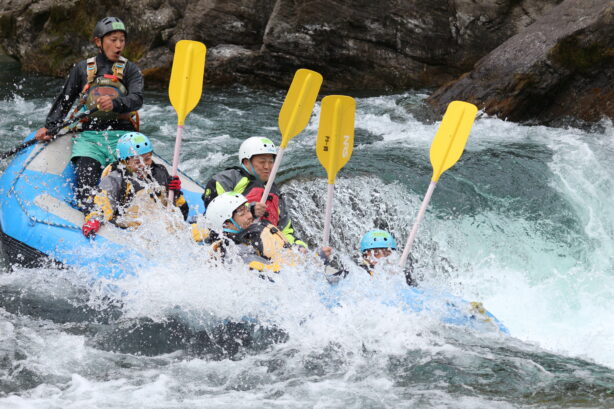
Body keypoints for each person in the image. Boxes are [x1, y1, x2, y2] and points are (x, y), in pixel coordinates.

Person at [35, 17, 144, 210]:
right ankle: (91, 214)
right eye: (113, 40)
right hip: (90, 137)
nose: (119, 45)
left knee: (126, 186)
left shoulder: (130, 69)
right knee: (86, 180)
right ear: (98, 42)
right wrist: (50, 127)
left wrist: (115, 103)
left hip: (122, 136)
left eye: (122, 40)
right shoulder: (82, 69)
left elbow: (137, 99)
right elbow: (65, 100)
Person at [202, 137, 306, 247]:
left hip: (263, 247)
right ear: (246, 162)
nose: (267, 167)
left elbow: (286, 231)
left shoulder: (275, 193)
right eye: (262, 162)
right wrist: (251, 210)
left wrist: (298, 246)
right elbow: (215, 213)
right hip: (233, 242)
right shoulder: (229, 179)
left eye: (271, 162)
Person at [81, 132, 188, 238]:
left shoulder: (160, 172)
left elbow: (181, 212)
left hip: (160, 225)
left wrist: (175, 192)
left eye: (147, 159)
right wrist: (95, 219)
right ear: (125, 162)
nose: (144, 165)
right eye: (137, 162)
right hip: (133, 228)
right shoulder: (116, 178)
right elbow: (101, 202)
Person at [199, 192, 298, 274]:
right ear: (226, 225)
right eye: (242, 213)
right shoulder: (240, 256)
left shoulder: (248, 240)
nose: (250, 215)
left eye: (247, 210)